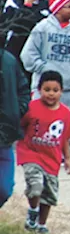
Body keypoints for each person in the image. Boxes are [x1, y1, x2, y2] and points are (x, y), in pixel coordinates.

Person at [17, 69, 70, 234]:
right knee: (35, 186)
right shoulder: (31, 108)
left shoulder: (66, 114)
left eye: (55, 90)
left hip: (52, 159)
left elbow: (65, 138)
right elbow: (19, 126)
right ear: (39, 89)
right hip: (31, 154)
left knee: (49, 195)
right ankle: (32, 210)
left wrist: (68, 159)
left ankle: (41, 224)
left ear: (61, 91)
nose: (51, 94)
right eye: (47, 90)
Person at [20, 0, 70, 114]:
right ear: (58, 9)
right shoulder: (42, 27)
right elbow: (27, 54)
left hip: (66, 90)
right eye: (69, 6)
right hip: (41, 89)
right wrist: (43, 67)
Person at [0, 40, 26, 209]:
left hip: (5, 135)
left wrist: (17, 110)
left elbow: (23, 88)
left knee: (5, 188)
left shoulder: (8, 60)